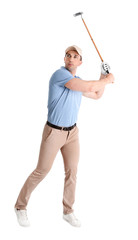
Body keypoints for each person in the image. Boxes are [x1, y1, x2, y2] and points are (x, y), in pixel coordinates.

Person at [14, 45, 114, 227]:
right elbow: (89, 86)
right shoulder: (60, 76)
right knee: (41, 171)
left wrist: (102, 76)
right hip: (54, 132)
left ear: (80, 62)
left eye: (75, 56)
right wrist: (107, 80)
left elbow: (97, 94)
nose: (70, 58)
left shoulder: (78, 80)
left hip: (72, 133)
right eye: (68, 55)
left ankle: (68, 211)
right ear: (64, 58)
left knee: (72, 172)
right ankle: (20, 206)